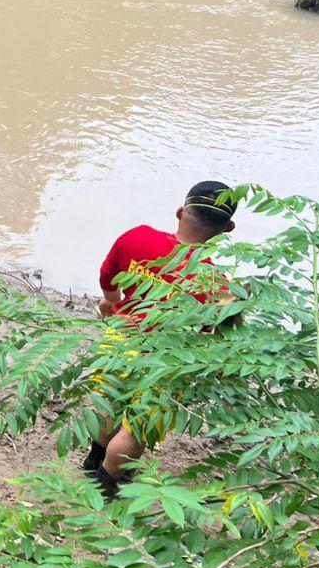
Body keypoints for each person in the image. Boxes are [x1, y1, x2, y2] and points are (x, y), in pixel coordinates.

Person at [84, 180, 237, 497]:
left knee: (109, 400)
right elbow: (220, 333)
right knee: (136, 429)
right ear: (228, 228)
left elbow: (108, 279)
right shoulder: (216, 284)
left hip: (122, 337)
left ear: (181, 212)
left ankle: (93, 459)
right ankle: (105, 485)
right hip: (166, 360)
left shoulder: (136, 237)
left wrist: (110, 304)